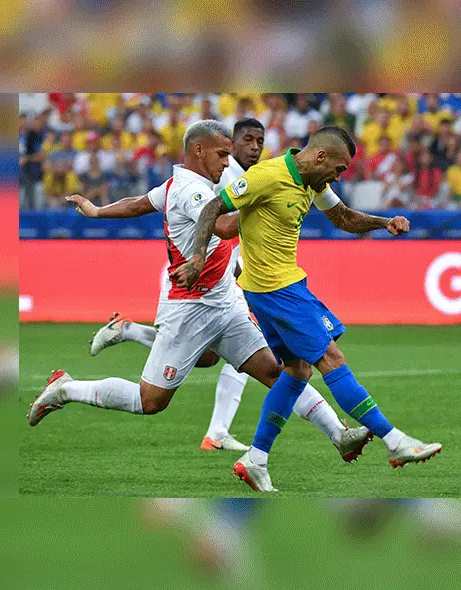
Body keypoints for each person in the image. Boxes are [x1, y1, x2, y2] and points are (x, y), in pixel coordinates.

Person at [27, 121, 373, 473]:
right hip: (190, 309)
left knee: (277, 371)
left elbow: (137, 204)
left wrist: (97, 211)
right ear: (198, 151)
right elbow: (223, 226)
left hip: (226, 301)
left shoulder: (181, 183)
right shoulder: (190, 190)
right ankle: (67, 388)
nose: (227, 161)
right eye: (222, 153)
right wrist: (271, 207)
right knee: (150, 401)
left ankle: (338, 434)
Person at [173, 125, 442, 492]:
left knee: (298, 371)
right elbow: (212, 208)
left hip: (275, 287)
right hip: (277, 289)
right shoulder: (267, 176)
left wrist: (383, 222)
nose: (338, 176)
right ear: (320, 157)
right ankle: (396, 442)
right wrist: (197, 258)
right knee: (331, 358)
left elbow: (343, 217)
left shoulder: (311, 181)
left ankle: (256, 458)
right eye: (339, 168)